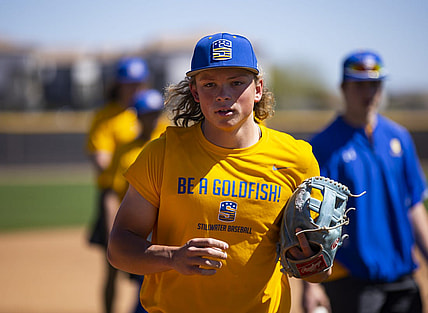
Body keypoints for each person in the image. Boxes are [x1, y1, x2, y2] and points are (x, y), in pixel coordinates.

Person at [107, 32, 331, 313]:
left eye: (236, 83)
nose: (223, 95)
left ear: (258, 88)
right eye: (209, 84)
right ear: (195, 92)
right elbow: (118, 248)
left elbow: (317, 270)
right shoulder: (162, 154)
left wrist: (311, 265)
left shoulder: (296, 159)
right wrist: (173, 257)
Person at [302, 50, 428, 313]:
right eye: (359, 85)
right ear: (343, 88)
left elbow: (414, 205)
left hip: (402, 275)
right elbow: (313, 221)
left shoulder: (399, 138)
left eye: (375, 84)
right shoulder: (323, 146)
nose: (368, 93)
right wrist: (311, 284)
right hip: (351, 279)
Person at [86, 56, 150, 313]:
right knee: (112, 264)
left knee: (149, 261)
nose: (132, 88)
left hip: (148, 197)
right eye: (127, 83)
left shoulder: (150, 112)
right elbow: (100, 159)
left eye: (137, 83)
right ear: (118, 85)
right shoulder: (105, 116)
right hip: (114, 194)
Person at [103, 89, 165, 313]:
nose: (153, 118)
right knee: (136, 280)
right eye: (147, 113)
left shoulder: (168, 145)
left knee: (149, 284)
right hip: (133, 224)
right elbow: (111, 192)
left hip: (161, 226)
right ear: (137, 116)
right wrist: (112, 228)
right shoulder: (125, 151)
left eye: (156, 113)